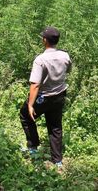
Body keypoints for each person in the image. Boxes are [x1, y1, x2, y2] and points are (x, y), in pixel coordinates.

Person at [19, 27, 72, 169]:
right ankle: (57, 161)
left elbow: (35, 84)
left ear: (45, 40)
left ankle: (33, 148)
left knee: (26, 115)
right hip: (59, 95)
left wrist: (30, 104)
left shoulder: (40, 60)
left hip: (44, 97)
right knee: (55, 126)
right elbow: (68, 70)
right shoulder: (65, 56)